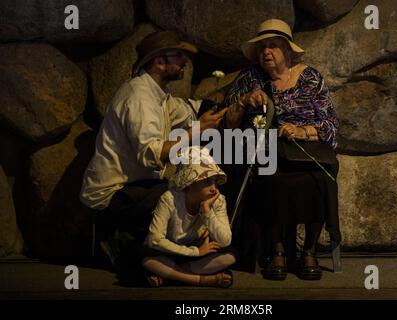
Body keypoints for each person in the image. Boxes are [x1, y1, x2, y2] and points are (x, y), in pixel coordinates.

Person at [80, 31, 227, 264]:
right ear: (159, 62)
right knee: (179, 193)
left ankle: (172, 252)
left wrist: (224, 100)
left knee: (185, 186)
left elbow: (186, 110)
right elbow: (150, 154)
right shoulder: (139, 96)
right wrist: (198, 129)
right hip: (114, 192)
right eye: (178, 56)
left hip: (137, 186)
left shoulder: (157, 93)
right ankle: (128, 244)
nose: (184, 61)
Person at [223, 19, 341, 280]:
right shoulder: (250, 78)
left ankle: (308, 249)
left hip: (308, 151)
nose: (266, 51)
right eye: (262, 47)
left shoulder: (310, 77)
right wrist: (243, 101)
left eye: (273, 46)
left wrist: (302, 131)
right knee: (270, 175)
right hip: (268, 150)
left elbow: (331, 125)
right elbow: (227, 124)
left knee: (321, 179)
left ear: (288, 50)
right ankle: (278, 250)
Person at [140, 147, 236, 288]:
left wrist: (207, 212)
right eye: (206, 182)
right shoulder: (170, 199)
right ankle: (199, 280)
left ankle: (170, 276)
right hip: (169, 251)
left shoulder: (218, 200)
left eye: (214, 181)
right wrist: (195, 252)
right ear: (190, 184)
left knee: (230, 255)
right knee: (146, 258)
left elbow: (224, 240)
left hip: (194, 254)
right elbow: (155, 240)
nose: (214, 188)